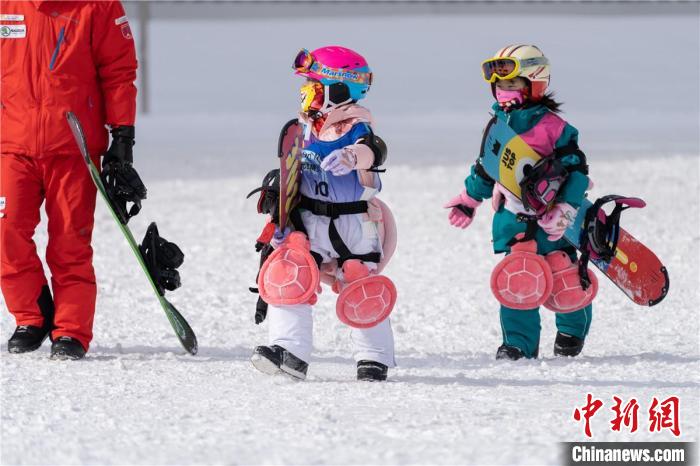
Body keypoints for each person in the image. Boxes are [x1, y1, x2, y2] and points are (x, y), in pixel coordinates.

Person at [0, 0, 144, 360]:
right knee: (5, 233)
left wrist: (122, 136)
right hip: (13, 144)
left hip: (74, 147)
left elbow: (119, 71)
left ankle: (71, 329)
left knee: (70, 243)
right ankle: (32, 316)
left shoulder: (99, 6)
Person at [250, 46, 397, 381]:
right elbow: (291, 171)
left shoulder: (356, 127)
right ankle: (289, 351)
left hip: (353, 224)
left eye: (315, 88)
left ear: (339, 90)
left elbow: (374, 150)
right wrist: (282, 212)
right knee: (290, 275)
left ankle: (373, 357)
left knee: (358, 281)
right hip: (311, 221)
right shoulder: (306, 129)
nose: (307, 95)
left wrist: (352, 157)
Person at [445, 44, 594, 360]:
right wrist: (469, 199)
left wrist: (567, 209)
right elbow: (487, 167)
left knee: (561, 273)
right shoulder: (499, 125)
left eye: (512, 83)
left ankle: (572, 329)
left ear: (534, 83)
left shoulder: (554, 128)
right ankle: (518, 343)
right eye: (500, 84)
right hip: (515, 217)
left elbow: (577, 169)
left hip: (553, 218)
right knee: (519, 277)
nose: (503, 90)